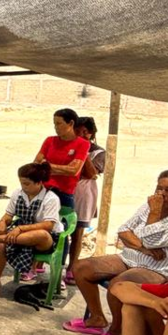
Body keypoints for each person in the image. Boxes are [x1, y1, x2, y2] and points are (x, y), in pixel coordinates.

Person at [67, 169, 168, 335]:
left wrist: (152, 218)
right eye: (159, 188)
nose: (162, 194)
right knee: (82, 267)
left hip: (159, 268)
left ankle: (117, 332)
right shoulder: (149, 205)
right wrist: (144, 248)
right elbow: (123, 230)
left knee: (119, 284)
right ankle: (97, 318)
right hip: (131, 257)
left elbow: (150, 238)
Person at [0, 162, 63, 297]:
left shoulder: (51, 198)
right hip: (19, 236)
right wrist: (2, 223)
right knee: (1, 247)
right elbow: (8, 215)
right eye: (22, 183)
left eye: (27, 184)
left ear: (39, 183)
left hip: (45, 241)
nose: (23, 187)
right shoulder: (18, 193)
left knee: (41, 234)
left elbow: (48, 225)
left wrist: (21, 228)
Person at [67, 116, 105, 285]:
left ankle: (71, 269)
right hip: (66, 191)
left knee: (77, 233)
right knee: (58, 230)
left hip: (84, 194)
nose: (80, 134)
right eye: (77, 131)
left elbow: (90, 173)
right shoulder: (67, 146)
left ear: (91, 133)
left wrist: (82, 151)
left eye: (84, 132)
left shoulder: (99, 152)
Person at [34, 108, 91, 211]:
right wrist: (62, 169)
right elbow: (36, 165)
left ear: (71, 123)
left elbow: (73, 170)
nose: (56, 127)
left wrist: (48, 166)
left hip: (64, 193)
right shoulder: (49, 141)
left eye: (59, 124)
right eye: (54, 124)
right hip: (43, 190)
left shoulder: (83, 144)